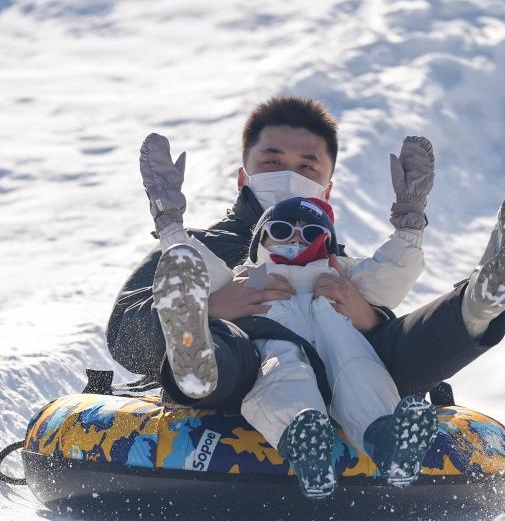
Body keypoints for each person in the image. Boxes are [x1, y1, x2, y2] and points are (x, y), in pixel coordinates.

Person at [106, 96, 505, 473]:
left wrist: (366, 317)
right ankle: (198, 351)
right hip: (236, 380)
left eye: (306, 166)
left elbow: (373, 317)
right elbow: (123, 335)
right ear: (244, 176)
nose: (289, 174)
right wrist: (213, 309)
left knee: (384, 346)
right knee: (234, 349)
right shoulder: (193, 250)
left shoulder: (331, 258)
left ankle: (477, 304)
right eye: (272, 161)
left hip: (340, 384)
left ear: (327, 188)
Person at [154, 193, 438, 499]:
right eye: (281, 231)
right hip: (277, 346)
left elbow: (390, 272)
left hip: (338, 349)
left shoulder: (341, 277)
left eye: (313, 233)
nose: (297, 240)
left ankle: (388, 439)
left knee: (359, 366)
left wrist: (409, 226)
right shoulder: (250, 278)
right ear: (259, 241)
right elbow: (198, 264)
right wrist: (170, 225)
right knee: (284, 368)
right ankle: (304, 438)